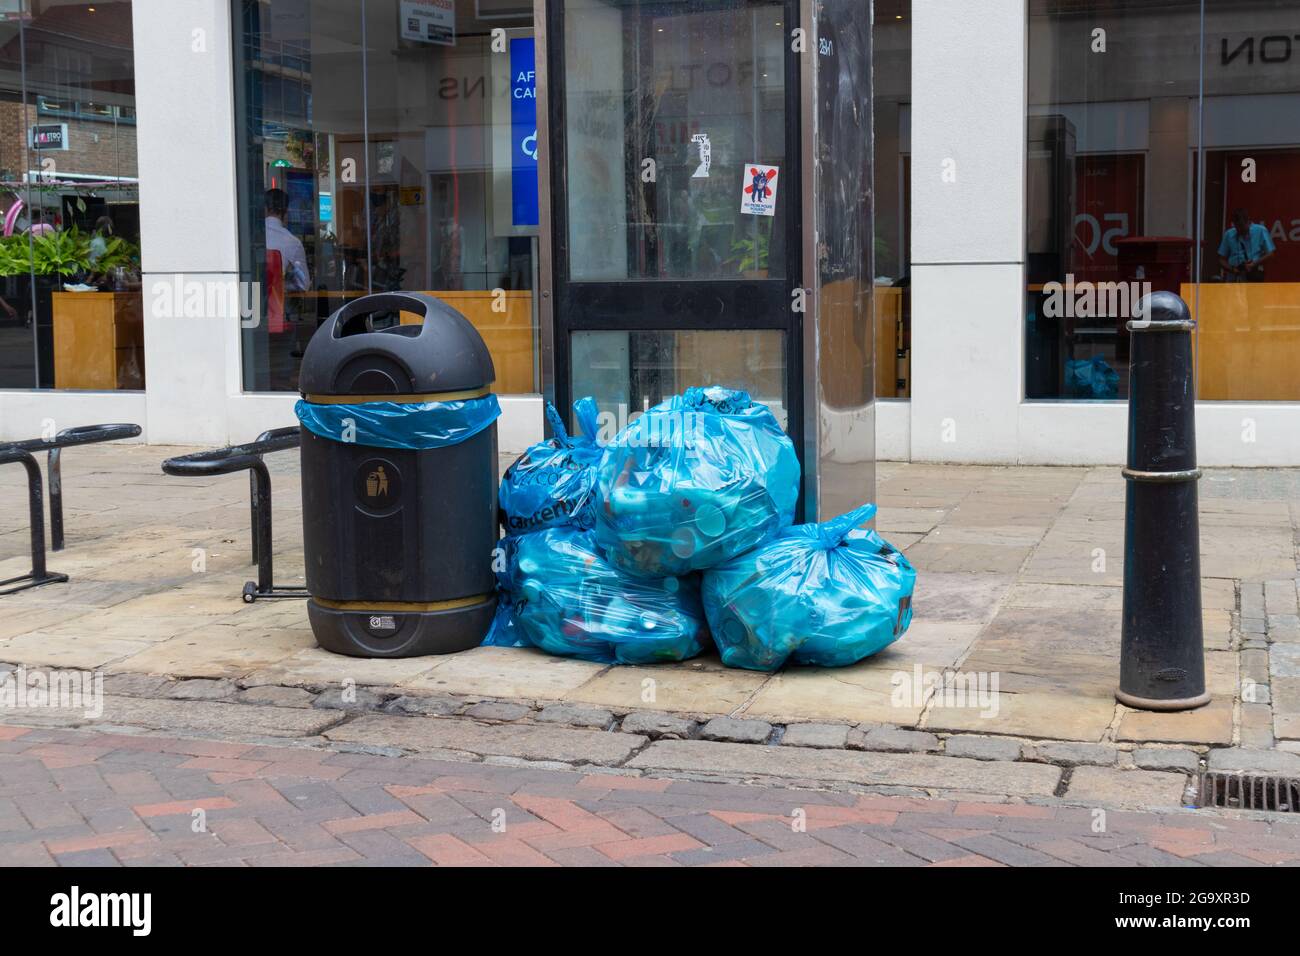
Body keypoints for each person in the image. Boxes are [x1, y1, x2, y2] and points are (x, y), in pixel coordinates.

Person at [264, 188, 310, 292]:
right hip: (275, 304)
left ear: (265, 208)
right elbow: (304, 284)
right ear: (286, 211)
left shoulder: (250, 236)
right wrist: (282, 284)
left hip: (249, 301)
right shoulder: (292, 242)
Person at [1218, 208, 1275, 282]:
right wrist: (1233, 269)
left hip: (1254, 275)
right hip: (1234, 277)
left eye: (1242, 227)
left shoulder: (1260, 230)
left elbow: (1271, 254)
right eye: (1237, 227)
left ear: (1249, 222)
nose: (1240, 230)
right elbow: (1221, 259)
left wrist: (1254, 264)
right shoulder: (1229, 234)